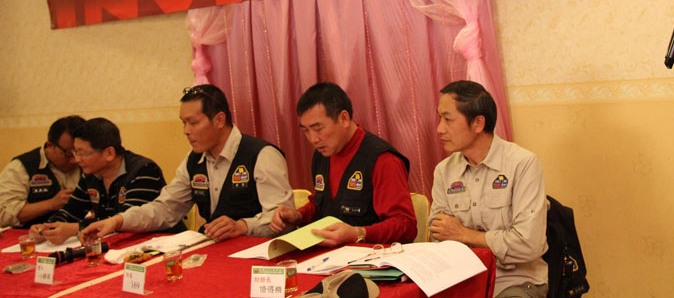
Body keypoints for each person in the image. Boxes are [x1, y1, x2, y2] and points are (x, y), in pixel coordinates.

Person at [81, 84, 293, 242]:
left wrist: (243, 226)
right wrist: (118, 221)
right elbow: (165, 209)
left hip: (256, 254)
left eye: (193, 123)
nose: (186, 131)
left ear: (219, 120)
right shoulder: (194, 160)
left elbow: (282, 222)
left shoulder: (261, 154)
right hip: (214, 251)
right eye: (183, 123)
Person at [429, 80, 548, 298]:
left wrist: (464, 234)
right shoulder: (443, 171)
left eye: (448, 119)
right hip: (462, 280)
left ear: (478, 123)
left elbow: (528, 245)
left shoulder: (522, 164)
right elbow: (439, 236)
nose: (439, 129)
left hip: (514, 282)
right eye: (439, 119)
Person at [270, 82, 416, 245]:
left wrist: (358, 233)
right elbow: (320, 205)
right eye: (306, 130)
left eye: (318, 129)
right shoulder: (321, 155)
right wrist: (298, 216)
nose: (313, 139)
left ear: (344, 119)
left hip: (372, 255)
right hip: (329, 254)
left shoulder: (383, 159)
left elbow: (406, 226)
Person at [30, 117, 173, 244]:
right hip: (112, 245)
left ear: (109, 153)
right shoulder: (91, 174)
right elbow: (71, 211)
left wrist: (75, 229)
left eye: (82, 153)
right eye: (75, 152)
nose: (76, 159)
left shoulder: (143, 170)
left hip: (155, 245)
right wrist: (46, 227)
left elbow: (125, 221)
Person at [0, 115, 85, 228]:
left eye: (80, 153)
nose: (75, 160)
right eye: (68, 154)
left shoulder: (89, 163)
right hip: (32, 234)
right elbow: (3, 215)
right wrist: (51, 204)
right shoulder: (22, 167)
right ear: (49, 145)